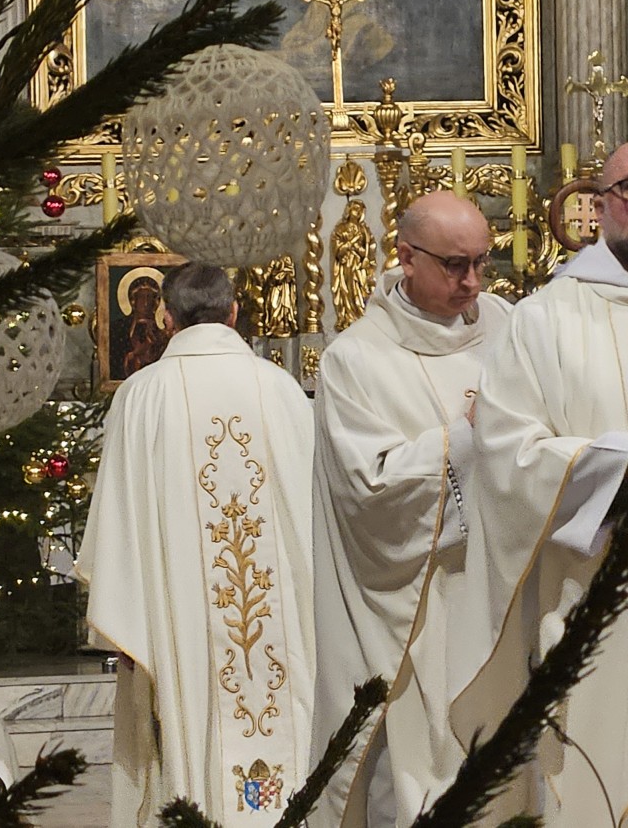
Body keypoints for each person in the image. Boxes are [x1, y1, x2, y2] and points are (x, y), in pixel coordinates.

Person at [448, 136, 628, 826]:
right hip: (597, 599)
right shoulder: (545, 319)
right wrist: (624, 459)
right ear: (598, 207)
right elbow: (506, 457)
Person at [77, 263, 314, 825]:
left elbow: (119, 525)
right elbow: (314, 515)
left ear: (166, 318)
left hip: (177, 617)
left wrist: (127, 617)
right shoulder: (281, 389)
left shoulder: (142, 394)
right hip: (280, 616)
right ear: (234, 313)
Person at [312, 190, 512, 827]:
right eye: (455, 265)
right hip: (425, 607)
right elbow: (369, 489)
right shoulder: (356, 360)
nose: (472, 282)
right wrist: (469, 436)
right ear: (405, 257)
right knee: (427, 772)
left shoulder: (508, 327)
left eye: (482, 262)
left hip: (510, 587)